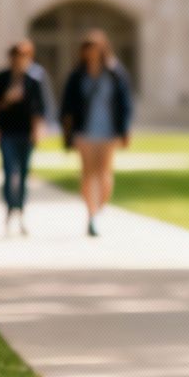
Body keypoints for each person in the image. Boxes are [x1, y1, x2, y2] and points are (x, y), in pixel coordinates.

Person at [59, 29, 135, 238]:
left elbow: (126, 103)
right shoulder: (77, 75)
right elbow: (66, 105)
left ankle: (100, 207)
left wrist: (126, 129)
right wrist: (66, 131)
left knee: (104, 173)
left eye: (94, 49)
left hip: (109, 130)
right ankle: (91, 213)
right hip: (84, 131)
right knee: (87, 173)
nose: (91, 53)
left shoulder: (115, 72)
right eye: (87, 49)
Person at [0, 40, 52, 235]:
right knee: (7, 170)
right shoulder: (0, 79)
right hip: (6, 132)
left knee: (22, 173)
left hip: (26, 133)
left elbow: (42, 108)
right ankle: (9, 206)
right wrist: (5, 102)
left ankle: (20, 209)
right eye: (16, 57)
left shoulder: (35, 79)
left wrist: (38, 129)